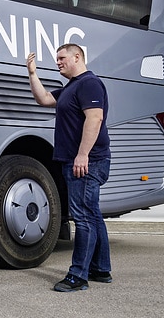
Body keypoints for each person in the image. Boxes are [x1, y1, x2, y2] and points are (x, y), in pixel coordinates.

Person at [26, 44, 112, 292]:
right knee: (92, 215)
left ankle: (78, 276)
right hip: (79, 160)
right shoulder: (70, 87)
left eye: (62, 58)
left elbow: (95, 118)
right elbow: (43, 99)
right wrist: (32, 74)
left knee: (83, 217)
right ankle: (101, 269)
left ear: (77, 57)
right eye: (56, 59)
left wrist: (82, 155)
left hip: (88, 161)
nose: (58, 62)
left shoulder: (89, 83)